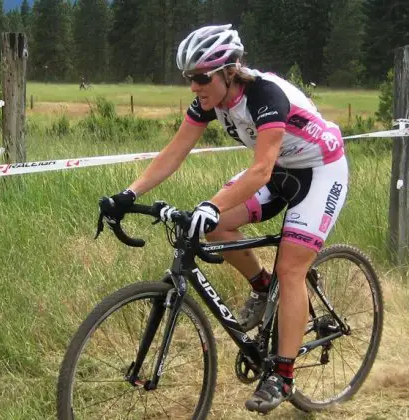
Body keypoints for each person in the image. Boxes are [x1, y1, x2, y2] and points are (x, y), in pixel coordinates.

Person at [101, 24, 348, 414]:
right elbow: (175, 151)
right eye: (189, 79)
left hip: (320, 170)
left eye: (201, 77)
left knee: (291, 267)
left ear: (229, 72)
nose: (194, 87)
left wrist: (211, 202)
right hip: (282, 167)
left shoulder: (265, 95)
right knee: (212, 226)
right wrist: (128, 194)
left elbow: (260, 170)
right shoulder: (209, 102)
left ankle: (283, 376)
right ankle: (262, 287)